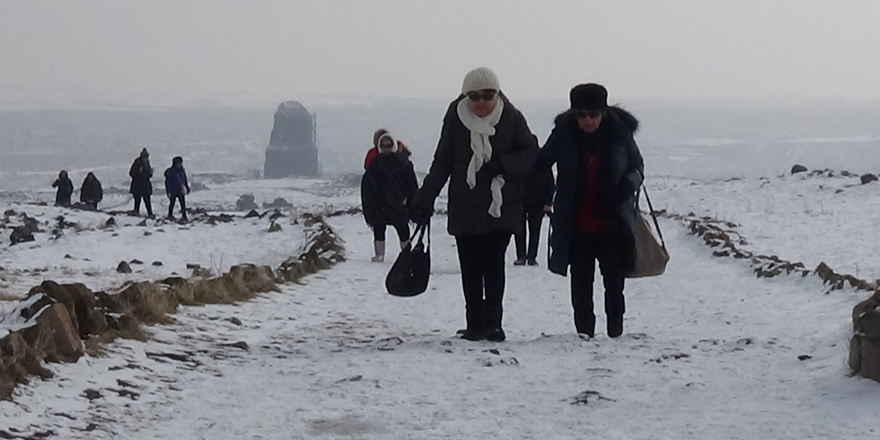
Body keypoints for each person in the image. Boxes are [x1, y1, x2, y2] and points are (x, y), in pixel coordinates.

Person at [410, 67, 539, 342]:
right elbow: (443, 161)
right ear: (466, 96)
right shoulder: (455, 118)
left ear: (497, 94)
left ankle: (494, 323)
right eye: (475, 96)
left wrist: (502, 165)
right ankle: (474, 323)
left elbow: (531, 153)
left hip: (501, 203)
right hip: (465, 204)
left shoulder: (512, 117)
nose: (481, 102)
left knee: (493, 263)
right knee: (469, 265)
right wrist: (424, 198)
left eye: (487, 95)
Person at [535, 83, 644, 338]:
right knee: (580, 284)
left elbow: (637, 166)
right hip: (576, 224)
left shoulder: (620, 133)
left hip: (612, 223)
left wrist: (628, 185)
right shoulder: (563, 134)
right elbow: (540, 163)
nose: (587, 120)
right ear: (573, 113)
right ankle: (584, 333)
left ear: (603, 112)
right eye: (581, 114)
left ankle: (615, 331)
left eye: (593, 114)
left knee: (614, 283)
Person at [361, 132, 418, 262]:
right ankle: (379, 254)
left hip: (398, 204)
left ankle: (406, 253)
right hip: (379, 204)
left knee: (402, 228)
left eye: (388, 145)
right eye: (383, 146)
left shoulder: (403, 163)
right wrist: (371, 203)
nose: (386, 148)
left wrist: (409, 200)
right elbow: (367, 186)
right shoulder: (374, 164)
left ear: (393, 146)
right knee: (378, 228)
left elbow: (411, 184)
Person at [514, 168, 555, 266]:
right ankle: (521, 256)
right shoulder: (522, 161)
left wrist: (548, 202)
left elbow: (550, 184)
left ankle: (532, 257)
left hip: (538, 201)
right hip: (521, 200)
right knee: (519, 229)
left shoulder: (543, 163)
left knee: (535, 230)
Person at [129, 148, 155, 218]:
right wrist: (139, 171)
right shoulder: (137, 163)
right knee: (137, 200)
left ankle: (150, 214)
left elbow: (148, 176)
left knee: (147, 201)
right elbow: (132, 173)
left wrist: (150, 173)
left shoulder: (147, 163)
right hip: (138, 185)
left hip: (145, 185)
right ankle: (136, 212)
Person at [164, 156, 190, 221]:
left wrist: (187, 187)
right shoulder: (171, 172)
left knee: (183, 203)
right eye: (178, 163)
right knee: (172, 203)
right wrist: (168, 191)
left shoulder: (182, 171)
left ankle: (184, 216)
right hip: (173, 190)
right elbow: (168, 182)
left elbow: (185, 180)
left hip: (180, 190)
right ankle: (170, 215)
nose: (179, 164)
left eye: (180, 163)